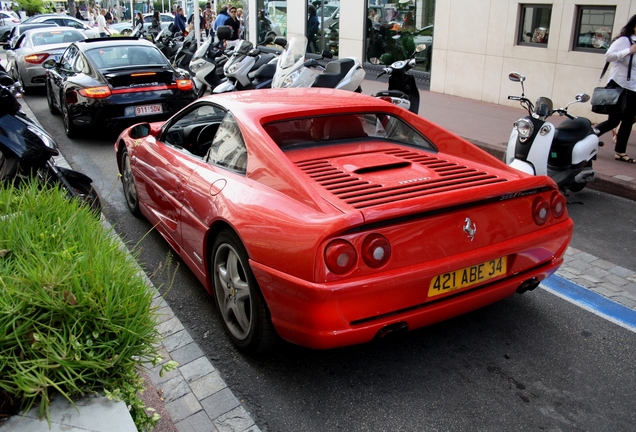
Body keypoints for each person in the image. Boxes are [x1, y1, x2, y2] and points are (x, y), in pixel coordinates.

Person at [594, 14, 636, 163]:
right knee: (613, 121)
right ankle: (588, 137)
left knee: (628, 121)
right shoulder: (625, 40)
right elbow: (609, 56)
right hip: (619, 86)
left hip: (633, 88)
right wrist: (629, 51)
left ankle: (620, 152)